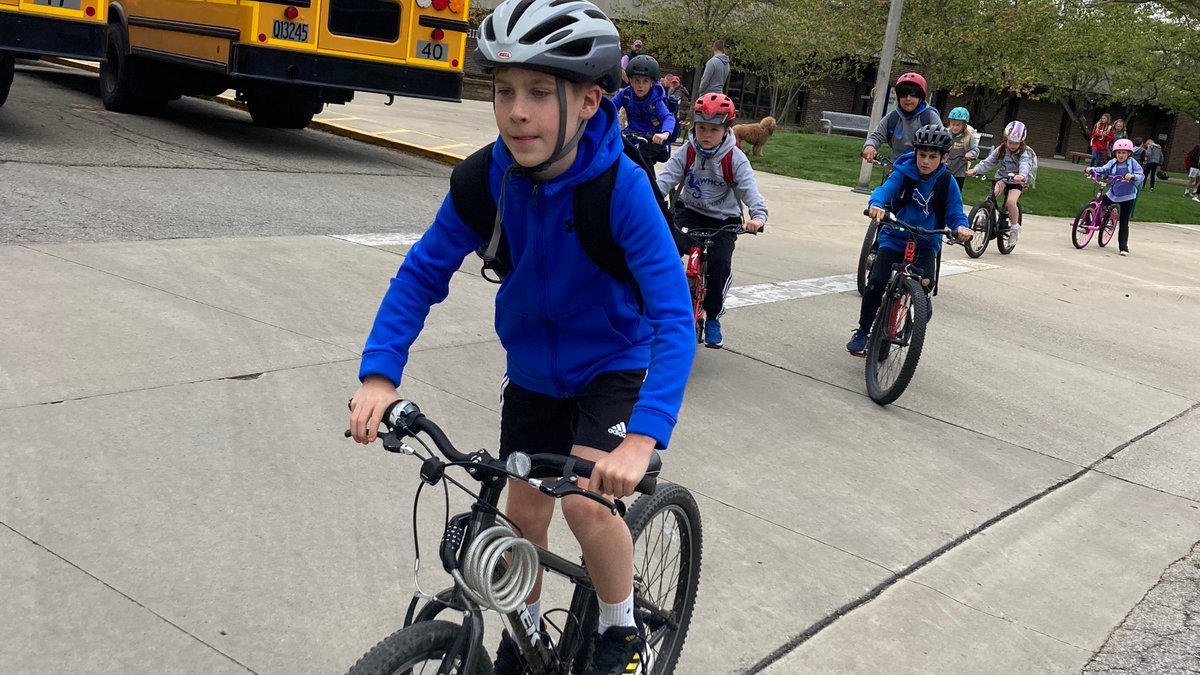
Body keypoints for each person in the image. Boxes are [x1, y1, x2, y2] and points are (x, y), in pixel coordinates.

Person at [347, 2, 695, 674]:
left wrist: (643, 436)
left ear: (590, 101)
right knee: (523, 515)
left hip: (610, 365)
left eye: (540, 93)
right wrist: (379, 375)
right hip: (533, 368)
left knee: (591, 512)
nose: (516, 112)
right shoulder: (486, 179)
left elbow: (675, 318)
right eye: (504, 92)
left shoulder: (621, 190)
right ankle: (526, 635)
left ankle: (621, 635)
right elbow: (422, 272)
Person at [846, 125, 973, 356]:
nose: (925, 161)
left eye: (933, 157)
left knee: (924, 284)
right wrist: (876, 204)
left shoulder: (947, 182)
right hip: (895, 236)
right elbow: (886, 190)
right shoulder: (903, 173)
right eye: (922, 155)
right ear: (915, 153)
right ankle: (863, 331)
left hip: (926, 243)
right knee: (876, 280)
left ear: (944, 158)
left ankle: (916, 311)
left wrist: (961, 227)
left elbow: (955, 212)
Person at [656, 93, 767, 349]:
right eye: (701, 128)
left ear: (726, 129)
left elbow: (750, 190)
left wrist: (758, 217)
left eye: (714, 130)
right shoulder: (689, 151)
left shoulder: (735, 158)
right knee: (664, 251)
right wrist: (647, 198)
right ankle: (660, 304)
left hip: (723, 220)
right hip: (689, 211)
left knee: (719, 264)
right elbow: (666, 179)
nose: (706, 135)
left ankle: (714, 314)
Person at [966, 120, 1035, 243]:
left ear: (1021, 142)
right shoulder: (1001, 149)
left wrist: (1022, 175)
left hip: (1016, 181)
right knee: (992, 195)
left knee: (1010, 201)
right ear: (1005, 140)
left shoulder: (1024, 153)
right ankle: (985, 216)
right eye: (1010, 142)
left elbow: (1025, 165)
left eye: (1016, 143)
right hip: (1002, 178)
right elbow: (989, 162)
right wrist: (975, 170)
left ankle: (1014, 227)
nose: (1013, 145)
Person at [861, 72, 942, 163]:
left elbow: (942, 142)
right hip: (898, 168)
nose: (908, 99)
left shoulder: (930, 117)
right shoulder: (892, 118)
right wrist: (869, 146)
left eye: (913, 95)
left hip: (924, 171)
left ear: (921, 98)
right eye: (903, 95)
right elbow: (876, 137)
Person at [611, 54, 676, 167]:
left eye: (645, 81)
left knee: (641, 156)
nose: (640, 85)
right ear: (630, 80)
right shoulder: (626, 94)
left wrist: (665, 134)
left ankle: (651, 184)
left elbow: (668, 117)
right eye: (636, 80)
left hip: (654, 139)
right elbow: (610, 107)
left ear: (652, 83)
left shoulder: (656, 100)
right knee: (614, 154)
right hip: (632, 136)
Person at [1086, 138, 1144, 256]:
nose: (1121, 155)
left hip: (1128, 196)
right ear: (1115, 153)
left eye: (1124, 152)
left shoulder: (1132, 163)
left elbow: (1140, 174)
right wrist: (1093, 169)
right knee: (1094, 203)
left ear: (1129, 154)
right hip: (1114, 193)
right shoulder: (1113, 162)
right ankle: (1087, 224)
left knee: (1123, 222)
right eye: (1118, 152)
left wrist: (1132, 176)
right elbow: (1104, 169)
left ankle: (1123, 247)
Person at [945, 106, 978, 190]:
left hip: (959, 173)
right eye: (953, 124)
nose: (955, 127)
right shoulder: (945, 134)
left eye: (958, 125)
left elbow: (975, 149)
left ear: (964, 125)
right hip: (943, 170)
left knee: (955, 194)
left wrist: (971, 154)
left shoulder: (968, 137)